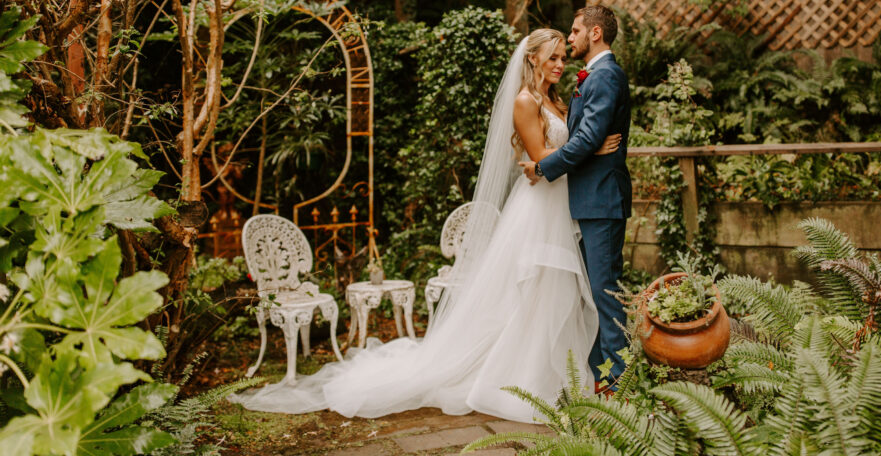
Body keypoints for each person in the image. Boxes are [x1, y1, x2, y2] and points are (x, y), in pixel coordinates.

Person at [230, 29, 620, 422]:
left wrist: (584, 149)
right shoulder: (524, 101)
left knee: (556, 292)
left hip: (557, 205)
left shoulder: (555, 99)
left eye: (561, 58)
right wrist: (589, 152)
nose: (559, 64)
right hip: (538, 208)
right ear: (532, 57)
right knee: (536, 289)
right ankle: (526, 381)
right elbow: (539, 159)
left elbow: (561, 154)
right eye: (551, 57)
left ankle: (557, 375)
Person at [518, 6, 631, 389]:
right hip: (584, 200)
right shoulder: (590, 77)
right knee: (592, 292)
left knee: (604, 291)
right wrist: (592, 149)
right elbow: (586, 140)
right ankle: (598, 374)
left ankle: (618, 382)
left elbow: (585, 137)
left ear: (595, 33)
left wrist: (545, 168)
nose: (570, 38)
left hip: (601, 200)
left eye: (575, 30)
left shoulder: (604, 75)